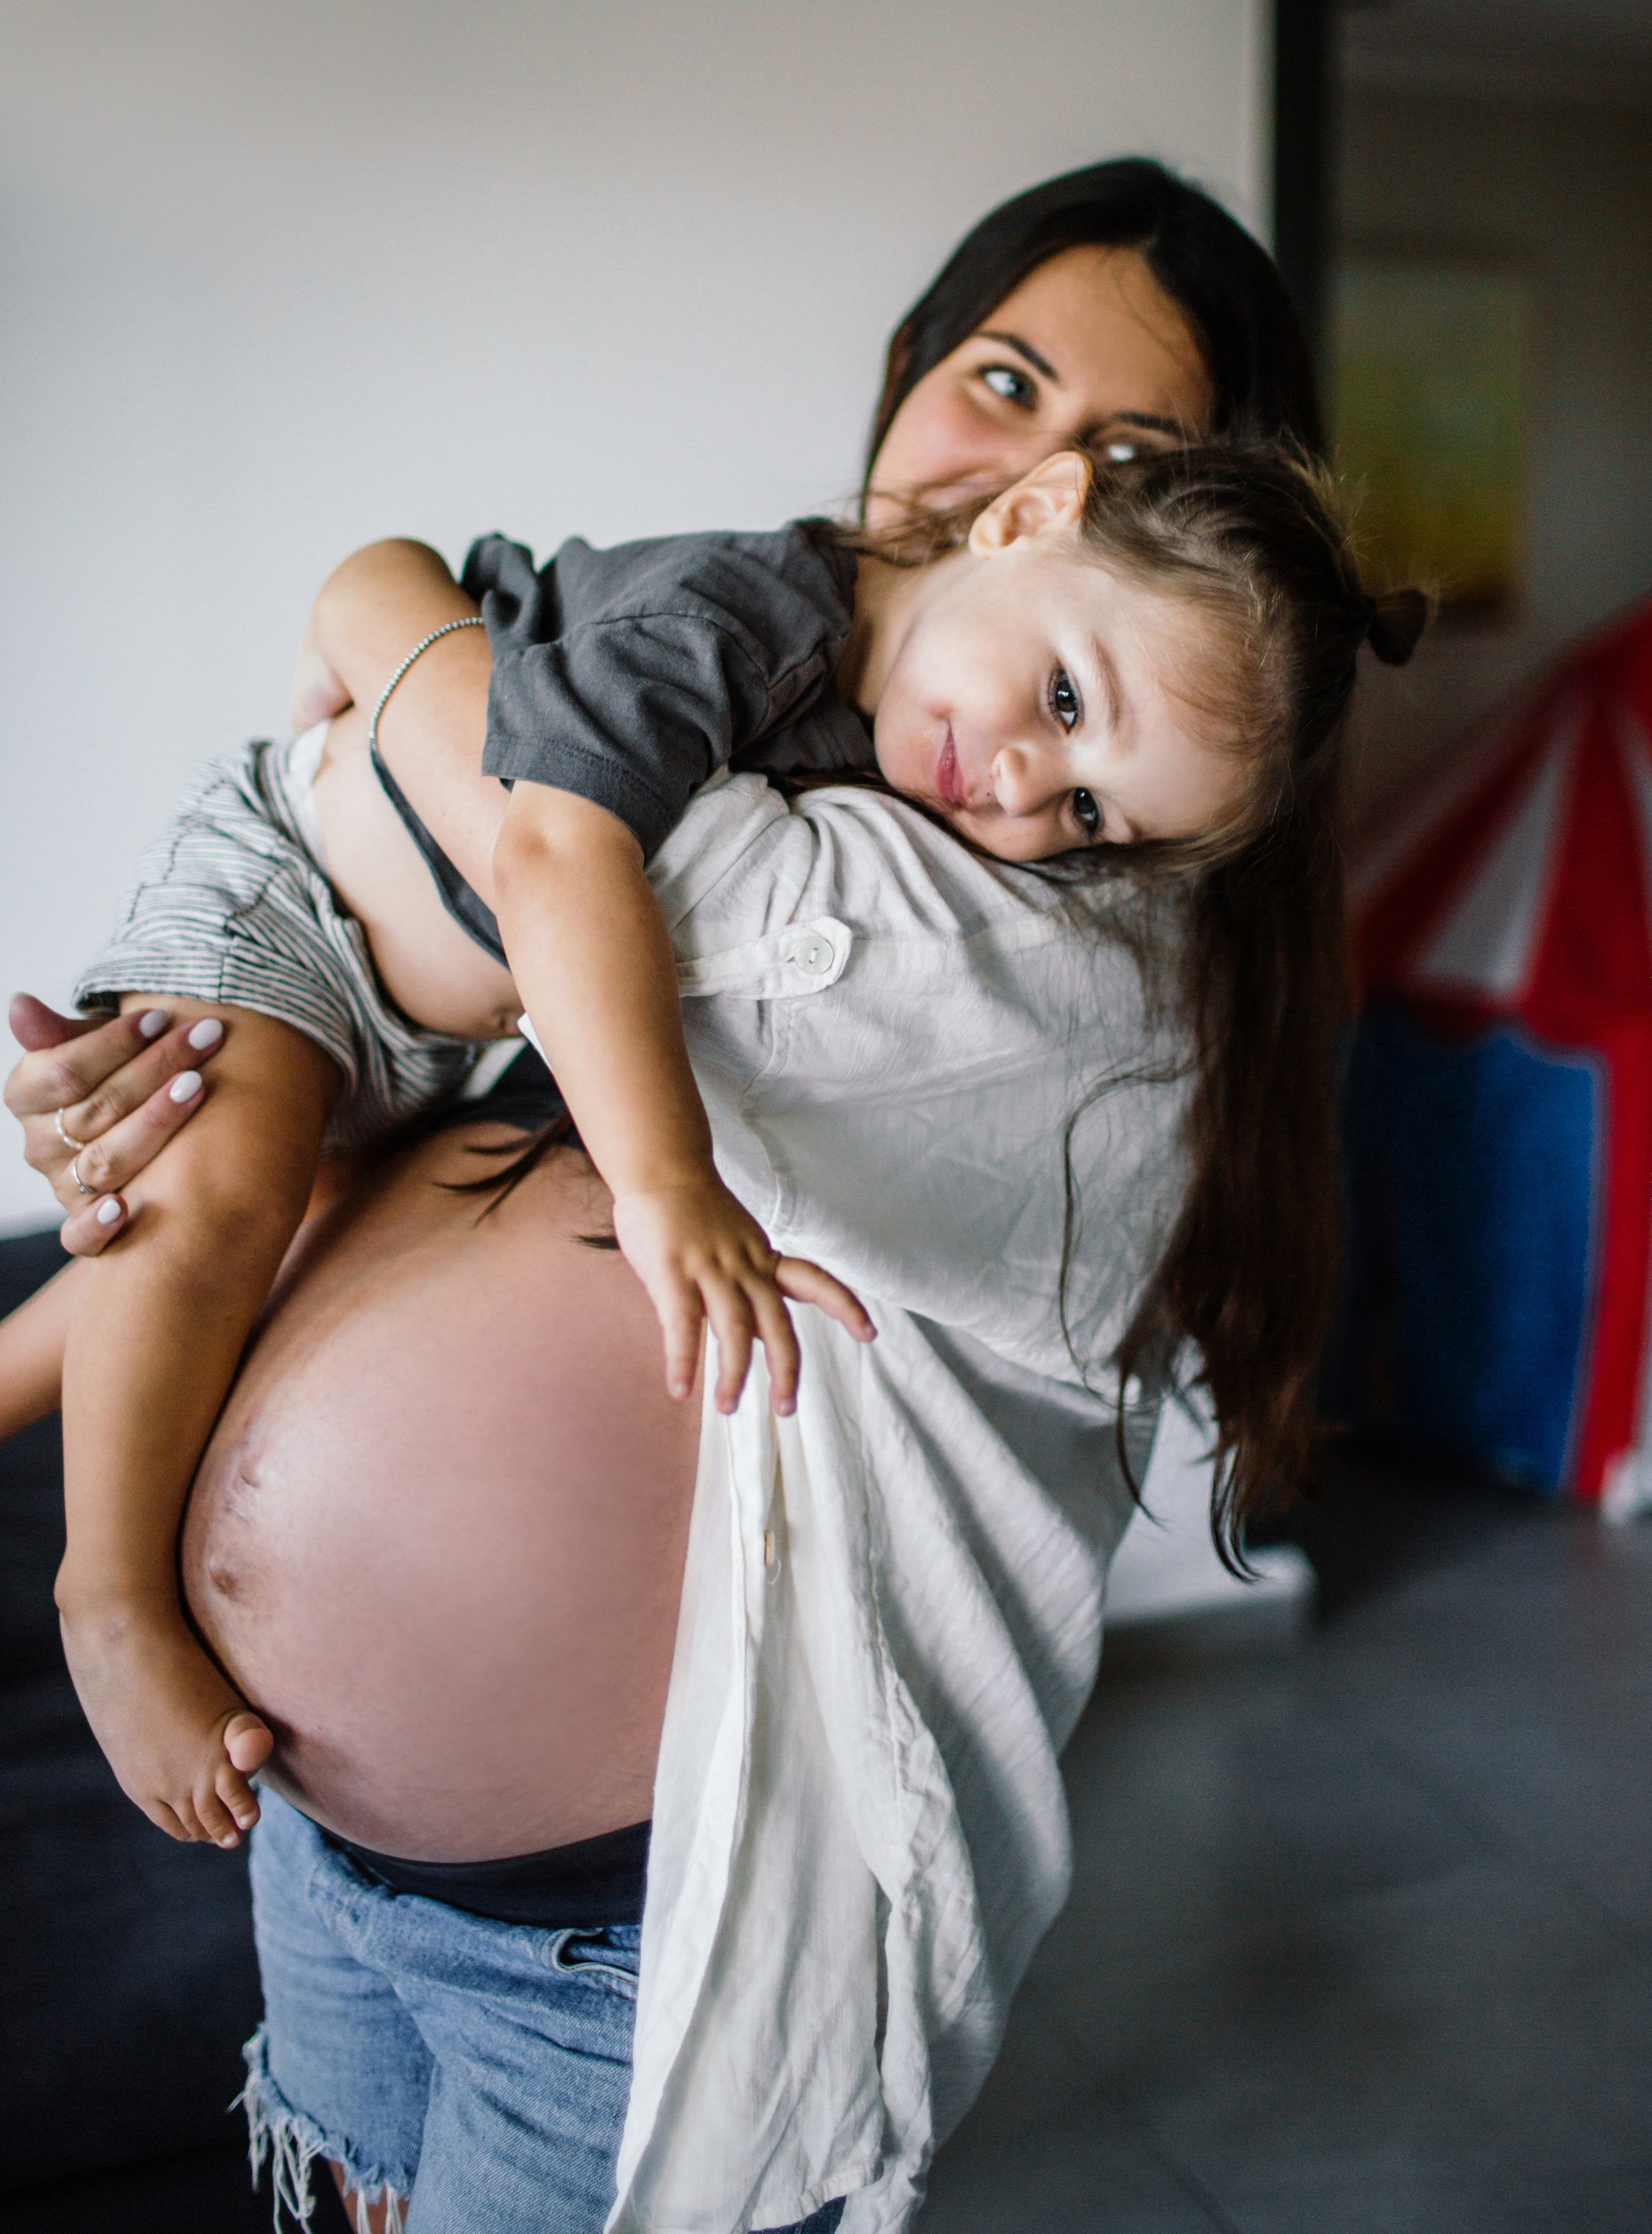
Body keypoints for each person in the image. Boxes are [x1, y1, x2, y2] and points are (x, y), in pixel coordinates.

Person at [2, 160, 1423, 2234]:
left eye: (1134, 446)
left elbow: (492, 842)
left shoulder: (1075, 946)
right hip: (327, 1856)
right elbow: (442, 984)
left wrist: (379, 622)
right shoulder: (754, 657)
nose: (1017, 461)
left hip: (615, 1943)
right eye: (1002, 381)